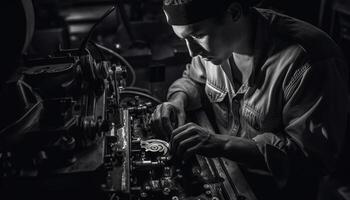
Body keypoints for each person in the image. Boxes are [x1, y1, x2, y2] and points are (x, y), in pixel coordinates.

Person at [150, 0, 349, 199]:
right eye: (184, 38)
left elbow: (310, 159)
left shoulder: (310, 61)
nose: (193, 52)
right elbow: (194, 80)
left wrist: (222, 145)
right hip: (227, 175)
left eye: (198, 35)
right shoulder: (215, 46)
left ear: (234, 12)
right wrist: (178, 100)